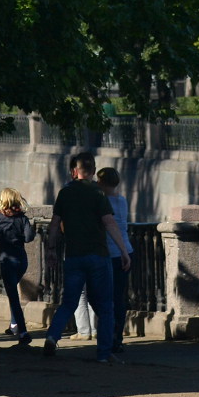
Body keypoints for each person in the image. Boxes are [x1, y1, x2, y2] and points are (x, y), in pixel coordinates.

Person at [43, 152, 130, 364]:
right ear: (93, 171)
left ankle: (53, 336)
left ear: (75, 171)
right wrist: (124, 250)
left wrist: (51, 250)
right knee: (106, 306)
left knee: (69, 302)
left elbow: (54, 225)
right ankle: (103, 353)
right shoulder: (98, 194)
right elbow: (110, 223)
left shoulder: (65, 193)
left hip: (73, 257)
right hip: (99, 257)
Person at [0, 187, 36, 346]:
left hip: (7, 260)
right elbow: (29, 238)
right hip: (21, 260)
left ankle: (23, 332)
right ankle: (13, 325)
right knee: (14, 292)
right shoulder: (22, 218)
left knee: (13, 297)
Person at [97, 167, 134, 354]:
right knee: (119, 298)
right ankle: (117, 337)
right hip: (126, 250)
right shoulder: (122, 201)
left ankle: (107, 335)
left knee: (103, 297)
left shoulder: (101, 201)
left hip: (109, 253)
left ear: (101, 183)